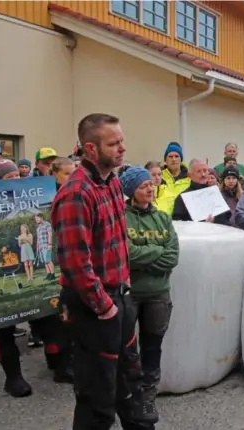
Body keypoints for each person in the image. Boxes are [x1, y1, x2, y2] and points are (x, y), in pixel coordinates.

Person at [52, 113, 156, 428]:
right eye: (113, 143)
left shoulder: (112, 182)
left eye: (122, 140)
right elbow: (75, 263)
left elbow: (117, 243)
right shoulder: (75, 193)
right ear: (90, 149)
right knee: (98, 399)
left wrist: (122, 295)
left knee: (131, 385)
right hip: (96, 309)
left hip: (120, 299)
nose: (122, 148)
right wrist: (106, 307)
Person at [0, 158, 72, 397]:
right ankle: (13, 377)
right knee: (4, 328)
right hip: (1, 268)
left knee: (50, 318)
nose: (16, 180)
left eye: (17, 175)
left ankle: (60, 366)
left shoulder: (34, 198)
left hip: (31, 256)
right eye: (9, 178)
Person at [120, 167, 179, 410]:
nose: (149, 188)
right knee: (127, 348)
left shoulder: (163, 218)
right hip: (130, 293)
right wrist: (156, 252)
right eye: (143, 186)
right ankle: (129, 394)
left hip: (158, 294)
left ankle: (148, 396)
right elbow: (126, 254)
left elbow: (173, 256)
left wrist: (144, 256)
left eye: (150, 185)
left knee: (153, 346)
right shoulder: (122, 217)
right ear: (131, 190)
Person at [160, 142, 191, 215]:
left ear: (181, 160)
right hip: (163, 220)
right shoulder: (159, 177)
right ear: (165, 160)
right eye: (170, 156)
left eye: (177, 156)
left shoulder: (190, 178)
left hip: (184, 220)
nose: (173, 159)